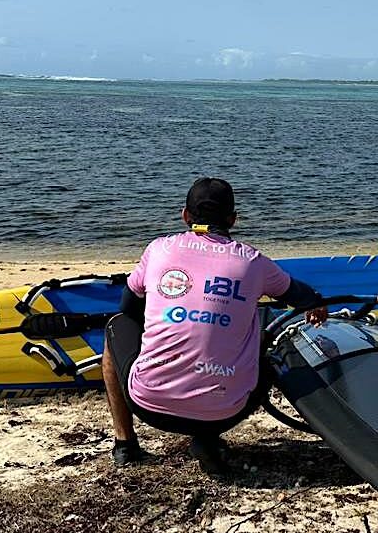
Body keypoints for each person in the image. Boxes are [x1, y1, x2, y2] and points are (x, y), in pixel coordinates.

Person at [102, 177, 326, 474]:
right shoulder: (253, 262)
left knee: (115, 326)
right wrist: (316, 302)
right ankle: (206, 438)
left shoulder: (159, 249)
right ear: (233, 219)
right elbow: (300, 296)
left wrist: (171, 317)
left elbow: (127, 309)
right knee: (259, 336)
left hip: (149, 407)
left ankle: (125, 445)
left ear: (185, 215)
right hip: (228, 412)